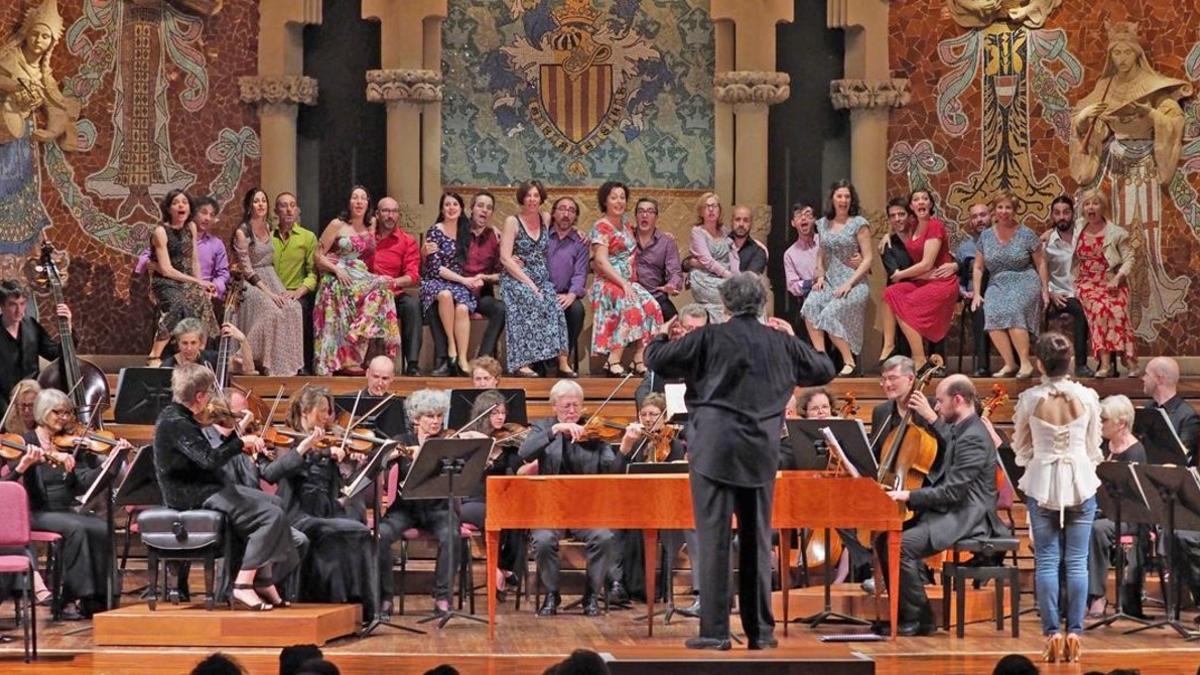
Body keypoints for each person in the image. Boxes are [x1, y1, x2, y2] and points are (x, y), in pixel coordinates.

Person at [645, 272, 836, 650]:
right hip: (760, 452)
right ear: (762, 304)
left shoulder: (708, 337)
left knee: (715, 540)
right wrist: (793, 338)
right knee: (756, 541)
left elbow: (656, 361)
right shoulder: (780, 342)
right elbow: (824, 370)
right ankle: (760, 633)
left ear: (726, 305)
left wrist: (663, 333)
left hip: (713, 449)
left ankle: (715, 633)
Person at [153, 363, 297, 611]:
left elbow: (210, 455)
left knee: (275, 503)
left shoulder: (182, 417)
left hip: (208, 487)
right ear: (199, 396)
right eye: (209, 392)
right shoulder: (175, 422)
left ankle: (262, 579)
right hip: (191, 495)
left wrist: (234, 438)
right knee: (269, 515)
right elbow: (209, 459)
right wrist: (240, 443)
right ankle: (242, 585)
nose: (211, 398)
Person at [874, 374, 1007, 636]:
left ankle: (920, 619)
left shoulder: (973, 437)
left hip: (967, 515)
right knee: (883, 539)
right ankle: (901, 613)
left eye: (940, 401)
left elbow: (954, 492)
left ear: (958, 400)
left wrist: (909, 496)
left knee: (901, 547)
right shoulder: (963, 429)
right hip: (951, 509)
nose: (935, 407)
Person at [1012, 332, 1102, 663]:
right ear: (1072, 362)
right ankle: (1075, 633)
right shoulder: (1089, 397)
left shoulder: (1030, 399)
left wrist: (1037, 456)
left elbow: (1020, 447)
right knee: (1077, 561)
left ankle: (1052, 634)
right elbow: (1093, 448)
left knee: (1047, 560)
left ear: (1039, 363)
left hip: (1042, 482)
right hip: (1080, 480)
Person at [5, 388, 127, 618]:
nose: (64, 418)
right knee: (77, 528)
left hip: (64, 509)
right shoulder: (27, 441)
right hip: (36, 510)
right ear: (42, 413)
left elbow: (82, 485)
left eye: (67, 413)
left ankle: (98, 599)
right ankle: (68, 599)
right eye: (57, 412)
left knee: (101, 526)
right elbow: (7, 482)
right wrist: (26, 464)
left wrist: (109, 465)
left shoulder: (70, 444)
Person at [519, 379, 633, 616]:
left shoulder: (593, 433)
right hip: (551, 508)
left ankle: (591, 596)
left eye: (576, 406)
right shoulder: (543, 428)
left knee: (603, 537)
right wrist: (555, 431)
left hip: (585, 509)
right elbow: (525, 452)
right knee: (542, 540)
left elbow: (613, 472)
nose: (572, 412)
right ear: (554, 407)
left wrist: (624, 448)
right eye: (566, 407)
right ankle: (552, 593)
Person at [258, 386, 374, 616]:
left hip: (325, 511)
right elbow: (272, 473)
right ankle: (362, 607)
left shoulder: (328, 441)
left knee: (354, 531)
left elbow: (343, 484)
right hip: (297, 516)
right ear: (304, 411)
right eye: (321, 410)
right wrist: (307, 449)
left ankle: (348, 604)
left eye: (329, 411)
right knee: (357, 530)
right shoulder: (288, 440)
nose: (327, 416)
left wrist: (351, 462)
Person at [377, 389, 460, 617]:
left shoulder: (447, 442)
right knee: (380, 536)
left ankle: (442, 597)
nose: (435, 421)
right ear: (416, 419)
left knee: (451, 536)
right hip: (405, 509)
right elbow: (379, 461)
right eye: (429, 416)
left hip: (438, 509)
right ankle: (385, 598)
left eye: (438, 416)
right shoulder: (402, 441)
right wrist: (393, 455)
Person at [313, 185, 401, 375]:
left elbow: (369, 256)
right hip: (339, 274)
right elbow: (318, 255)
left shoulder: (372, 223)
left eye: (363, 198)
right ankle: (345, 358)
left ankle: (358, 331)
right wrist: (336, 269)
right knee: (341, 291)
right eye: (355, 197)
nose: (359, 201)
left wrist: (370, 277)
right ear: (349, 201)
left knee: (385, 289)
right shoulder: (337, 224)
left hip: (360, 274)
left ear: (368, 203)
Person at [879, 189, 960, 372]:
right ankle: (889, 345)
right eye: (916, 199)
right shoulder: (914, 225)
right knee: (891, 292)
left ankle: (919, 358)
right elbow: (899, 224)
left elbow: (927, 264)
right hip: (924, 280)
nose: (921, 202)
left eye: (925, 199)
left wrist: (901, 275)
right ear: (912, 206)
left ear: (931, 204)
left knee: (905, 301)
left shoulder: (934, 226)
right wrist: (887, 233)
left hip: (940, 281)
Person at [427, 192, 507, 374]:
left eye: (489, 207)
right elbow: (437, 259)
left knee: (500, 308)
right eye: (480, 206)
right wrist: (425, 252)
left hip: (480, 291)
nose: (484, 211)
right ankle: (445, 360)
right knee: (435, 304)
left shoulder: (495, 236)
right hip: (456, 287)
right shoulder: (458, 229)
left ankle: (482, 361)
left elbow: (501, 273)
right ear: (471, 208)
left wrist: (485, 277)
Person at [971, 191, 1049, 379]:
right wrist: (976, 293)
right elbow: (979, 267)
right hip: (997, 282)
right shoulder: (986, 236)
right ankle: (1010, 363)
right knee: (992, 310)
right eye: (1000, 207)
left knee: (1014, 308)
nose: (1004, 211)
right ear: (994, 211)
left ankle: (1025, 363)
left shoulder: (1026, 234)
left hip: (1024, 278)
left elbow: (1041, 263)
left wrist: (1045, 290)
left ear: (1014, 211)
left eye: (1008, 208)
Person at [589, 181, 663, 376]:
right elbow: (601, 262)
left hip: (627, 283)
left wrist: (666, 236)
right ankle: (612, 360)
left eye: (622, 197)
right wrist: (623, 283)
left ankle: (640, 358)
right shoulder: (601, 227)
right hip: (607, 283)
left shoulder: (626, 224)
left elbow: (644, 235)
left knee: (652, 307)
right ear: (605, 201)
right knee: (632, 306)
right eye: (614, 197)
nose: (619, 201)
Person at [500, 180, 573, 377]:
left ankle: (562, 362)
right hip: (516, 278)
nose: (532, 199)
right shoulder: (512, 222)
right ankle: (522, 363)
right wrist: (529, 283)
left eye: (535, 195)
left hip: (542, 279)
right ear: (522, 198)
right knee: (530, 301)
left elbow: (566, 228)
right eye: (528, 195)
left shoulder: (546, 218)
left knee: (554, 305)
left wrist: (581, 234)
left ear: (541, 198)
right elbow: (505, 258)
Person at [801, 180, 874, 376]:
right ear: (832, 198)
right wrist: (820, 274)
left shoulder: (859, 224)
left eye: (847, 196)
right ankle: (821, 359)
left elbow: (868, 259)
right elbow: (820, 254)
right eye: (839, 196)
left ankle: (848, 361)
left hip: (854, 283)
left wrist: (849, 284)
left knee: (830, 313)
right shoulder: (823, 224)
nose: (843, 200)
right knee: (810, 305)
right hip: (830, 281)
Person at [230, 187, 305, 376]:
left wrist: (276, 289)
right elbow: (247, 270)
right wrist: (268, 293)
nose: (261, 204)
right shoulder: (243, 232)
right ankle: (244, 356)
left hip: (271, 276)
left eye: (263, 200)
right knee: (272, 312)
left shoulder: (268, 227)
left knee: (293, 309)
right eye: (256, 201)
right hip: (251, 282)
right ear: (249, 205)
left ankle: (285, 365)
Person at [459, 389, 525, 599]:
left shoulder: (508, 443)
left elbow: (517, 468)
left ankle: (505, 567)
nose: (500, 417)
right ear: (483, 413)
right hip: (470, 501)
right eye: (495, 413)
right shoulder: (469, 438)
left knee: (519, 517)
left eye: (503, 413)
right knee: (496, 514)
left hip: (497, 500)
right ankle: (496, 570)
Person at [1087, 394, 1147, 619]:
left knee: (1097, 529)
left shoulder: (1135, 452)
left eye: (1104, 420)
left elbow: (1135, 498)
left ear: (1121, 423)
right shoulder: (1103, 446)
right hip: (1105, 511)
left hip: (1130, 517)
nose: (1100, 424)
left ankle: (1097, 595)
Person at [146, 190, 220, 366]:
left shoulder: (191, 227)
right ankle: (155, 355)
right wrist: (197, 281)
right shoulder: (161, 231)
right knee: (178, 303)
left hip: (187, 279)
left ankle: (197, 353)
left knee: (203, 301)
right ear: (169, 208)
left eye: (185, 202)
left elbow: (194, 260)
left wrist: (201, 285)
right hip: (166, 281)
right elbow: (166, 270)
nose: (181, 205)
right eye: (176, 203)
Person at [1074, 188, 1136, 378]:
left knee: (1117, 309)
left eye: (1095, 203)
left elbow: (1129, 258)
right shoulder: (1077, 227)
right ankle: (1106, 363)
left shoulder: (1116, 233)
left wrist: (1117, 279)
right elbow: (1057, 233)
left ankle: (1129, 360)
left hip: (1110, 280)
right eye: (1087, 204)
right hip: (1086, 282)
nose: (1090, 207)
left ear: (1103, 207)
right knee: (1100, 308)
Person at [420, 192, 477, 377]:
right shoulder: (435, 230)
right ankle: (451, 345)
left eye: (455, 204)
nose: (451, 208)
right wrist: (464, 280)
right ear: (441, 209)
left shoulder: (466, 232)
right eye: (447, 204)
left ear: (461, 209)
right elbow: (436, 268)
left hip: (459, 283)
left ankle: (462, 358)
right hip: (436, 281)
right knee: (445, 295)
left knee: (462, 309)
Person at [365, 196, 423, 376]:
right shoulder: (366, 238)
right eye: (385, 211)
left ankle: (412, 363)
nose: (390, 215)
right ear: (377, 214)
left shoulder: (407, 241)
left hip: (393, 294)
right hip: (367, 295)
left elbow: (413, 275)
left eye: (394, 211)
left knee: (413, 306)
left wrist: (392, 282)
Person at [136, 194, 231, 302]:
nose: (207, 218)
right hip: (172, 285)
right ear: (193, 213)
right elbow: (146, 258)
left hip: (203, 289)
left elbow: (223, 273)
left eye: (212, 215)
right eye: (204, 213)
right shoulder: (169, 235)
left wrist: (214, 287)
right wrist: (157, 266)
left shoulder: (216, 244)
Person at [1041, 195, 1093, 377]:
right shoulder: (1047, 242)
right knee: (1080, 311)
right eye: (1057, 213)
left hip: (1087, 289)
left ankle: (1105, 363)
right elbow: (1042, 270)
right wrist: (1050, 292)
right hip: (1061, 293)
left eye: (1066, 212)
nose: (1062, 217)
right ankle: (1080, 364)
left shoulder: (1085, 232)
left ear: (1073, 213)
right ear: (1052, 216)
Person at [0, 280, 67, 411]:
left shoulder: (31, 326)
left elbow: (55, 354)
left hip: (32, 401)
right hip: (2, 402)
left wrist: (68, 331)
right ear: (2, 305)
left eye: (22, 304)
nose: (19, 310)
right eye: (13, 305)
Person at [271, 192, 320, 373]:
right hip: (272, 293)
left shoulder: (308, 237)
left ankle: (302, 366)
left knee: (299, 309)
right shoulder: (268, 238)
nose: (289, 209)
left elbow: (312, 274)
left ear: (298, 210)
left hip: (296, 293)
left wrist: (297, 292)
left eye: (292, 205)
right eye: (283, 206)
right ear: (276, 211)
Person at [633, 303, 708, 406]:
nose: (694, 334)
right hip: (665, 413)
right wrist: (650, 407)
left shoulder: (714, 355)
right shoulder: (664, 353)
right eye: (689, 328)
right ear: (679, 327)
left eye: (699, 329)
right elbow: (644, 389)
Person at [546, 196, 590, 368]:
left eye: (571, 211)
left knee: (577, 310)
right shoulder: (542, 237)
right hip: (543, 292)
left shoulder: (581, 242)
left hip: (567, 293)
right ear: (553, 213)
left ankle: (563, 357)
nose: (566, 214)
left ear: (576, 217)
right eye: (562, 209)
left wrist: (572, 295)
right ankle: (542, 359)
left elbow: (580, 274)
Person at [686, 192, 738, 322]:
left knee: (746, 295)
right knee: (732, 297)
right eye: (706, 206)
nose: (711, 209)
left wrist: (736, 275)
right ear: (701, 211)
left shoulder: (724, 231)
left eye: (714, 206)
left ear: (719, 210)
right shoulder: (697, 232)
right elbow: (707, 260)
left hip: (724, 277)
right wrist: (728, 275)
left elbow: (734, 253)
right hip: (704, 278)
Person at [632, 197, 683, 321]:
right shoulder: (625, 237)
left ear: (656, 217)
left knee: (675, 324)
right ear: (636, 216)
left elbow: (675, 272)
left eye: (650, 211)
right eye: (640, 211)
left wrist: (672, 285)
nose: (645, 215)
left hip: (656, 296)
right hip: (630, 297)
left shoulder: (666, 242)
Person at [1140, 356, 1199, 462]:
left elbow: (1183, 458)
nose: (1143, 378)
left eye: (1147, 374)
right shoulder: (1147, 408)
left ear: (1159, 379)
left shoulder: (1187, 416)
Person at [958, 201, 992, 376]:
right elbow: (959, 278)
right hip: (974, 294)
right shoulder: (964, 249)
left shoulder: (1002, 241)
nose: (979, 220)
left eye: (983, 215)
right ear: (970, 222)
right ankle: (983, 365)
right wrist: (963, 292)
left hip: (998, 291)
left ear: (991, 216)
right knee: (979, 309)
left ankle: (1015, 363)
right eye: (975, 217)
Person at [161, 317, 254, 375]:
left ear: (200, 343)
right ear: (178, 343)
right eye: (184, 343)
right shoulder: (167, 366)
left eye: (193, 343)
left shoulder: (212, 359)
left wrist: (243, 340)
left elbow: (248, 369)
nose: (189, 348)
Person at [782, 202, 819, 331]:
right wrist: (811, 283)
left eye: (807, 214)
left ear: (814, 220)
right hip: (809, 299)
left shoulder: (825, 241)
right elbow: (792, 285)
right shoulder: (790, 254)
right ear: (793, 223)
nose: (803, 218)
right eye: (798, 215)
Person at [730, 205, 768, 275]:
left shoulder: (758, 251)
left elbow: (749, 281)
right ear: (731, 222)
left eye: (746, 220)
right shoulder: (721, 245)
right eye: (737, 219)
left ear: (751, 224)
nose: (741, 224)